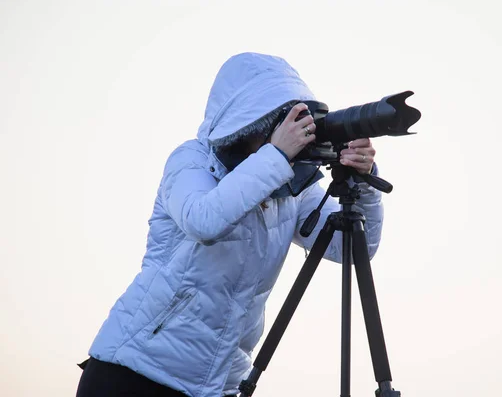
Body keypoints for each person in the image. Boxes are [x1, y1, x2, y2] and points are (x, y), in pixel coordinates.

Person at [76, 52, 384, 397]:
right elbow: (204, 221)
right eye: (278, 121)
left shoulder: (293, 186)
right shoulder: (193, 160)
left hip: (218, 385)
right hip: (135, 373)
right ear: (247, 121)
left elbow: (354, 250)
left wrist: (362, 181)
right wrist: (276, 156)